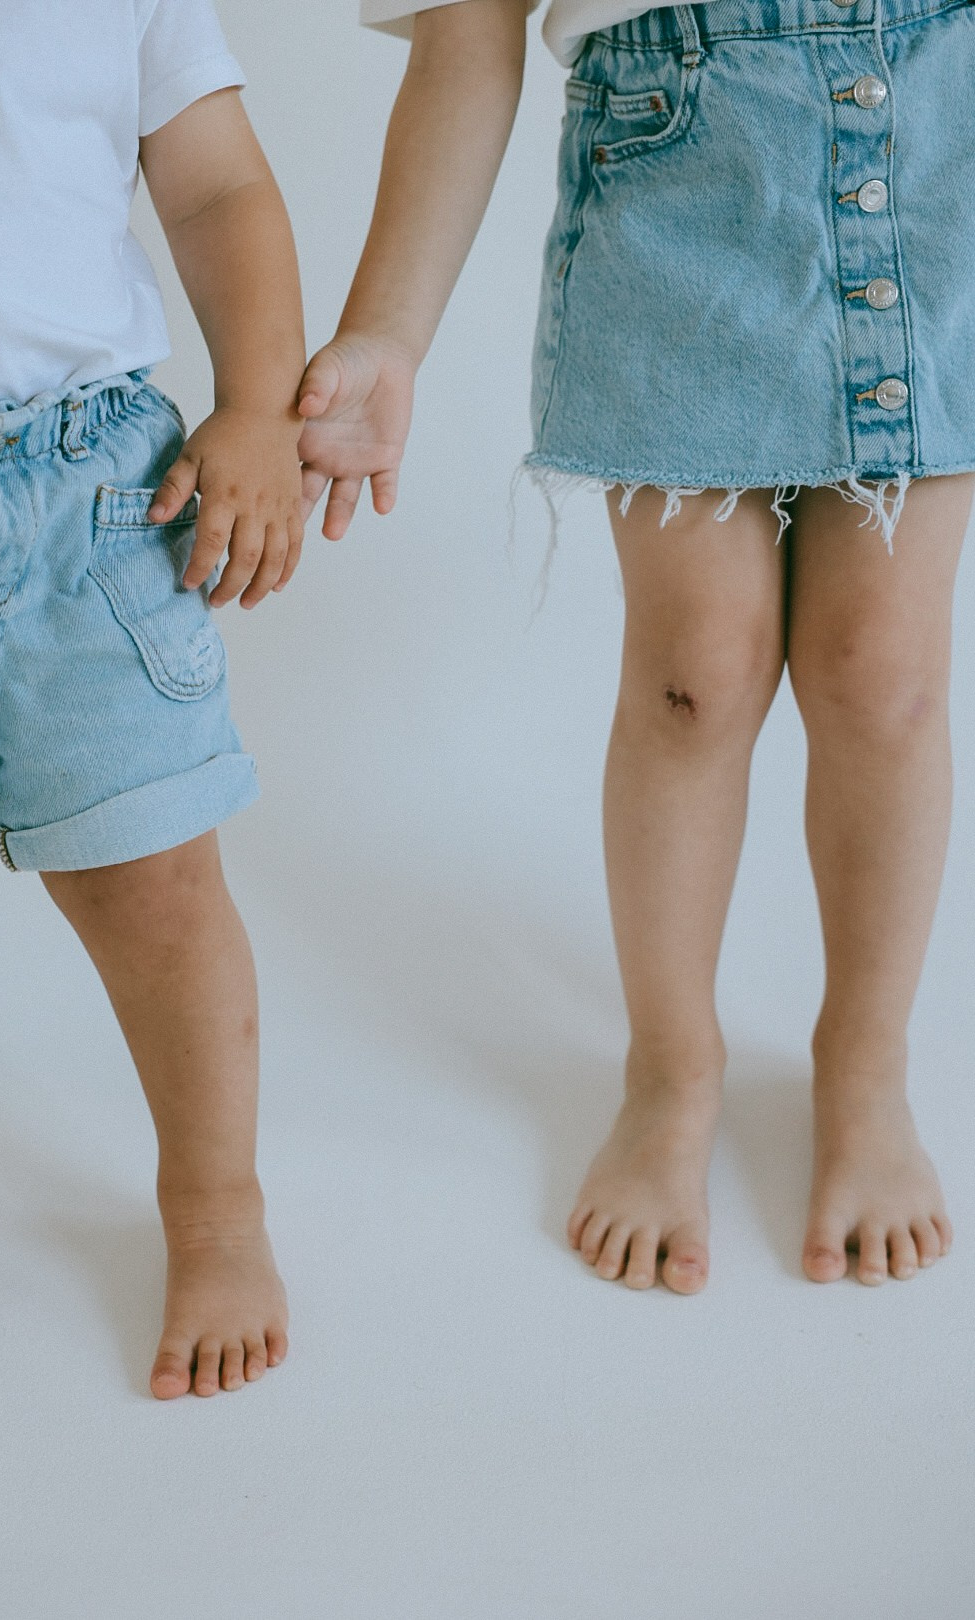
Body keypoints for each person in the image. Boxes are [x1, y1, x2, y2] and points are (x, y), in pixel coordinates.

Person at [297, 0, 972, 1293]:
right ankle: (671, 1070)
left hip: (936, 129)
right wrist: (389, 327)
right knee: (692, 677)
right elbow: (467, 27)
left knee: (882, 674)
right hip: (675, 162)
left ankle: (867, 1066)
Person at [0, 0, 304, 1427]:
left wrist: (256, 407)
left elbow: (221, 185)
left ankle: (216, 1212)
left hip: (87, 499)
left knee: (162, 891)